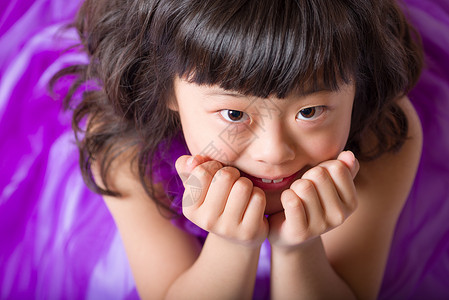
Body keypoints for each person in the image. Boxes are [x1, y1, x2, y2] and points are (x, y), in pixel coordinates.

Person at [51, 0, 423, 298]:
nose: (275, 153)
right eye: (233, 113)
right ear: (166, 89)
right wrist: (231, 245)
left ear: (358, 88)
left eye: (309, 111)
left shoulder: (385, 135)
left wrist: (299, 249)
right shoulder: (123, 147)